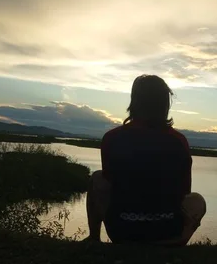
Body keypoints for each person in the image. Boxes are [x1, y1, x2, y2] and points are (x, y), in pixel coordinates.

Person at [86, 75, 206, 245]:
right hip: (169, 233)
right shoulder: (178, 141)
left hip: (122, 233)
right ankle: (171, 243)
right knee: (197, 200)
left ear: (134, 102)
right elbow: (184, 192)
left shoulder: (112, 138)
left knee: (97, 178)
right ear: (165, 104)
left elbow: (110, 182)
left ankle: (93, 238)